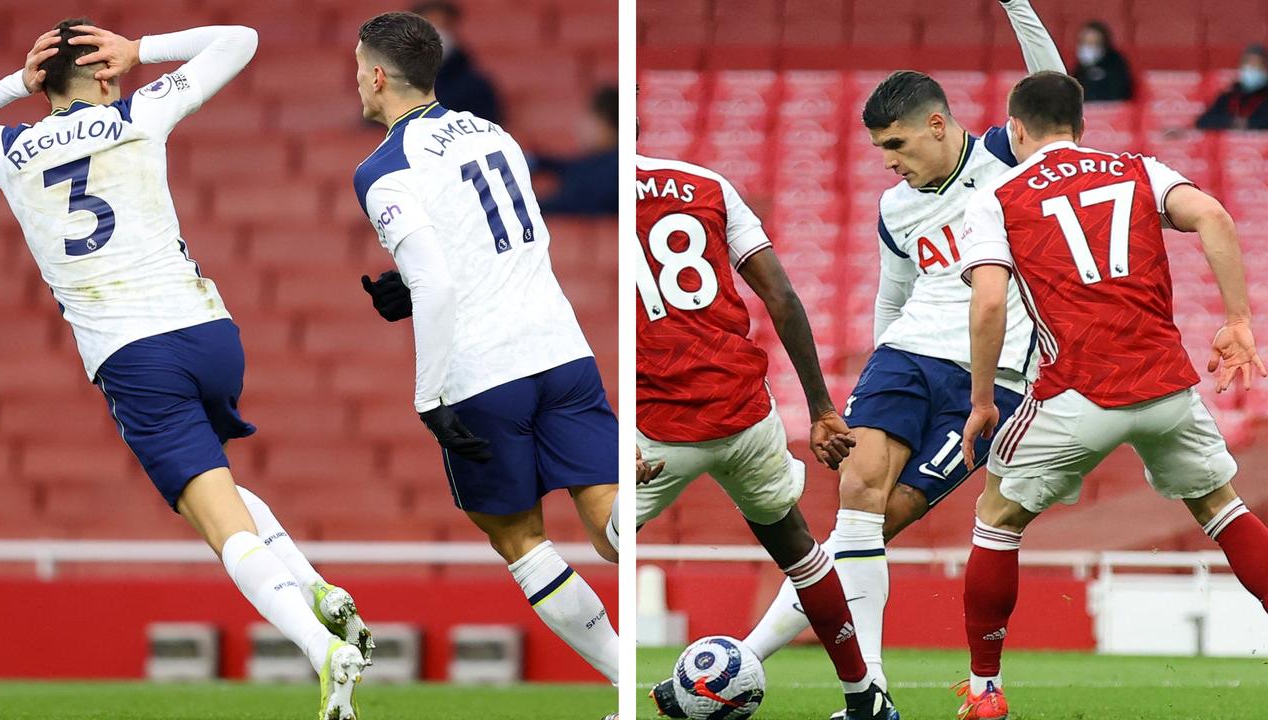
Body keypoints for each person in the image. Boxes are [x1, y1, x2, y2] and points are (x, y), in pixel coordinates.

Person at [0, 20, 370, 719]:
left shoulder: (8, 149)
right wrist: (142, 51)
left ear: (45, 82)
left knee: (214, 522)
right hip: (210, 334)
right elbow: (244, 38)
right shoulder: (138, 110)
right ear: (103, 75)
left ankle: (322, 650)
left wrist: (17, 83)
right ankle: (316, 587)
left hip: (134, 355)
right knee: (217, 483)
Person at [733, 2, 1061, 714]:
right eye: (882, 149)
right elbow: (893, 297)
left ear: (939, 126)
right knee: (856, 502)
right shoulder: (895, 208)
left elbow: (1053, 84)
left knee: (883, 523)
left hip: (995, 378)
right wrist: (875, 369)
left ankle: (754, 656)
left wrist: (1017, 7)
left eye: (899, 145)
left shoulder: (1008, 159)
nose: (890, 161)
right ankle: (865, 688)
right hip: (907, 357)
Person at [959, 70, 1268, 720]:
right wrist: (1239, 321)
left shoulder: (998, 195)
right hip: (1165, 385)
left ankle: (985, 691)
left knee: (996, 520)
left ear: (1016, 130)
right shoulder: (1139, 169)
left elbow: (989, 301)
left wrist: (984, 400)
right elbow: (1212, 213)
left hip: (1076, 390)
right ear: (1080, 126)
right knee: (1223, 510)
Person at [349, 12, 620, 697]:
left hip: (484, 371)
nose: (355, 79)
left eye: (358, 67)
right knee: (607, 513)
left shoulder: (383, 170)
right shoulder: (494, 133)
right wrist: (409, 290)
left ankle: (627, 688)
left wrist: (428, 397)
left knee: (518, 538)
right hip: (562, 349)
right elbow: (504, 241)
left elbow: (439, 278)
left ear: (378, 75)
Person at [635, 151, 894, 720]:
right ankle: (863, 698)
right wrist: (822, 408)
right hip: (745, 411)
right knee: (799, 550)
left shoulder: (597, 204)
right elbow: (781, 295)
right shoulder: (707, 183)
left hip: (658, 428)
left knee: (607, 539)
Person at [411, 0, 502, 123]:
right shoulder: (392, 83)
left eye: (442, 26)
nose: (436, 34)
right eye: (428, 27)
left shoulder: (476, 86)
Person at [533, 85, 617, 216]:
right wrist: (535, 162)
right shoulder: (598, 160)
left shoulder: (614, 168)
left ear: (608, 125)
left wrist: (525, 207)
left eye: (591, 120)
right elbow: (569, 166)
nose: (582, 127)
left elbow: (576, 203)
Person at [1197, 44, 1268, 130]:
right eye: (1248, 64)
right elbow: (1203, 121)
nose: (1251, 69)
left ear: (1265, 69)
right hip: (1228, 142)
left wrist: (1249, 124)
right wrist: (1231, 122)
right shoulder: (1228, 96)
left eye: (1256, 65)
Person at [1071, 20, 1133, 102]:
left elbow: (1121, 90)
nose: (1088, 48)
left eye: (1093, 43)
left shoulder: (1116, 62)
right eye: (1085, 43)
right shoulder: (1079, 67)